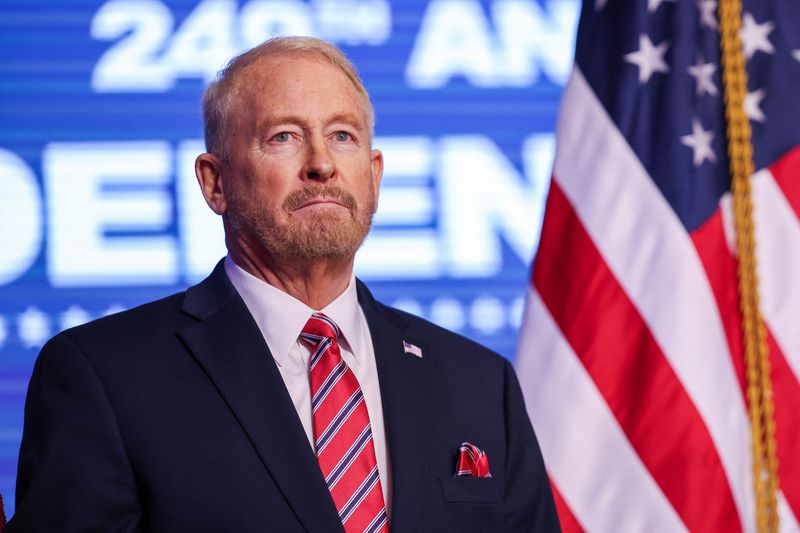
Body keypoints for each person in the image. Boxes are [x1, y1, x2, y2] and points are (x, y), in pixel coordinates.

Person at [9, 37, 560, 532]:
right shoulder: (103, 376)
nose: (321, 163)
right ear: (215, 182)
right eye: (284, 137)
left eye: (342, 135)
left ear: (374, 175)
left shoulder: (480, 383)